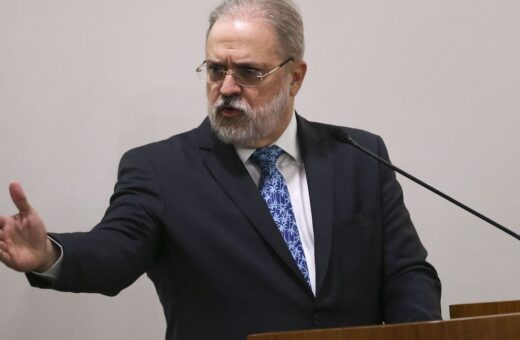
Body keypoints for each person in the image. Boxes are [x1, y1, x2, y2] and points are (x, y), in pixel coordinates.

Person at [0, 0, 441, 339]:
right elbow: (115, 251)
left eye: (248, 72)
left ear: (296, 77)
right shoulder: (160, 170)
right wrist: (50, 255)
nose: (226, 89)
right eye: (215, 70)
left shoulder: (358, 155)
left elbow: (407, 273)